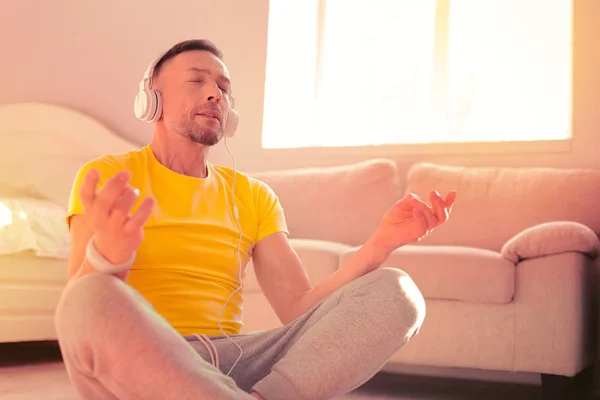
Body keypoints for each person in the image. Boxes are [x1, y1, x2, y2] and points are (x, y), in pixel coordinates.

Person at [54, 39, 457, 400]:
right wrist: (108, 256)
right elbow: (80, 307)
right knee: (87, 299)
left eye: (224, 88)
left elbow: (299, 311)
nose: (215, 93)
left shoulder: (253, 195)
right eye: (196, 81)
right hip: (145, 360)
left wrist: (380, 244)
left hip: (237, 363)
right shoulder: (109, 176)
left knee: (397, 291)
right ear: (151, 100)